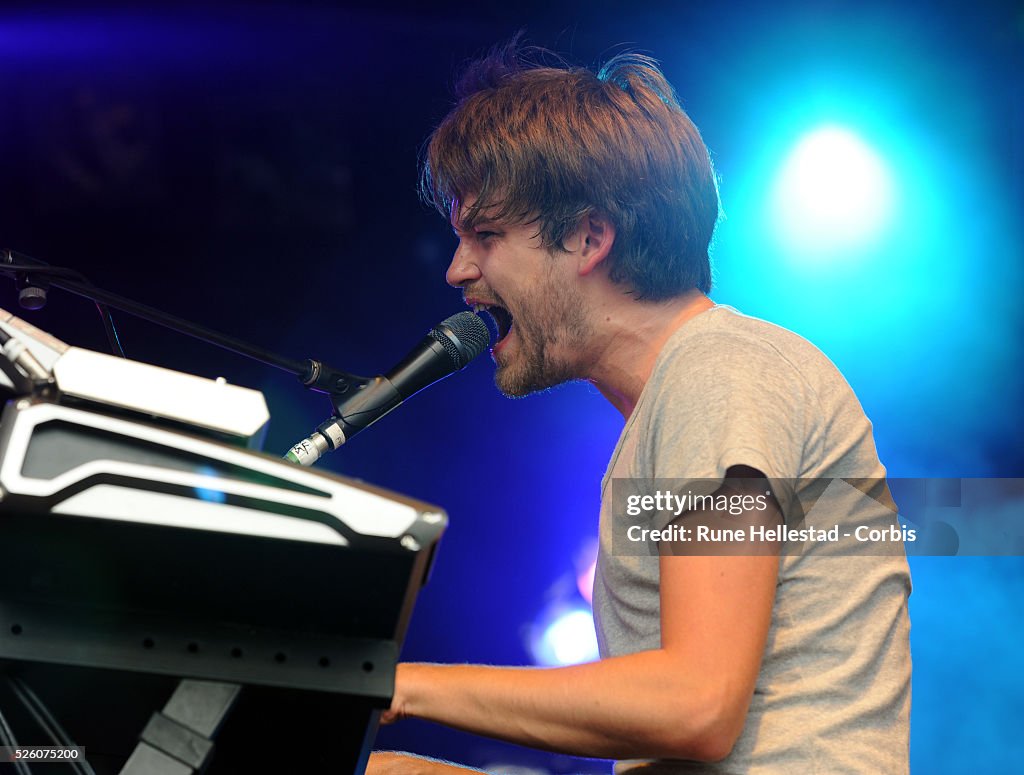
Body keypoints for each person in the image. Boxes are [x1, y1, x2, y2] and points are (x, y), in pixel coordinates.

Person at [367, 42, 911, 775]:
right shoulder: (683, 396)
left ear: (590, 237)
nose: (458, 269)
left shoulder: (719, 369)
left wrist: (401, 684)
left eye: (487, 236)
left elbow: (695, 702)